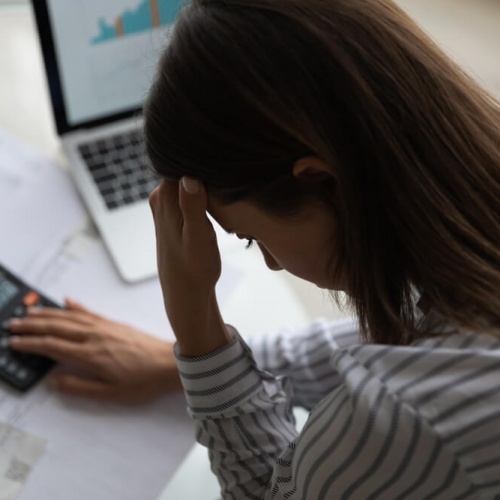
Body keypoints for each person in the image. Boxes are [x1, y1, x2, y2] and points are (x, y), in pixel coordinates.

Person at [8, 0, 500, 497]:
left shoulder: (417, 417)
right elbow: (403, 328)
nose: (269, 261)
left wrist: (197, 329)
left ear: (325, 184)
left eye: (250, 236)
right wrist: (171, 364)